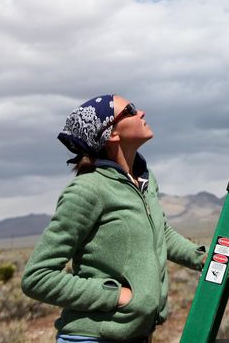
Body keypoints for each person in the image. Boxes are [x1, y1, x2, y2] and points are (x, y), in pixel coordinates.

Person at [22, 95, 207, 343]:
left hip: (136, 335)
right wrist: (116, 296)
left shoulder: (145, 179)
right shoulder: (87, 190)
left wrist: (204, 259)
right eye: (129, 111)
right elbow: (37, 277)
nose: (141, 112)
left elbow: (160, 232)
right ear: (111, 134)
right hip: (93, 337)